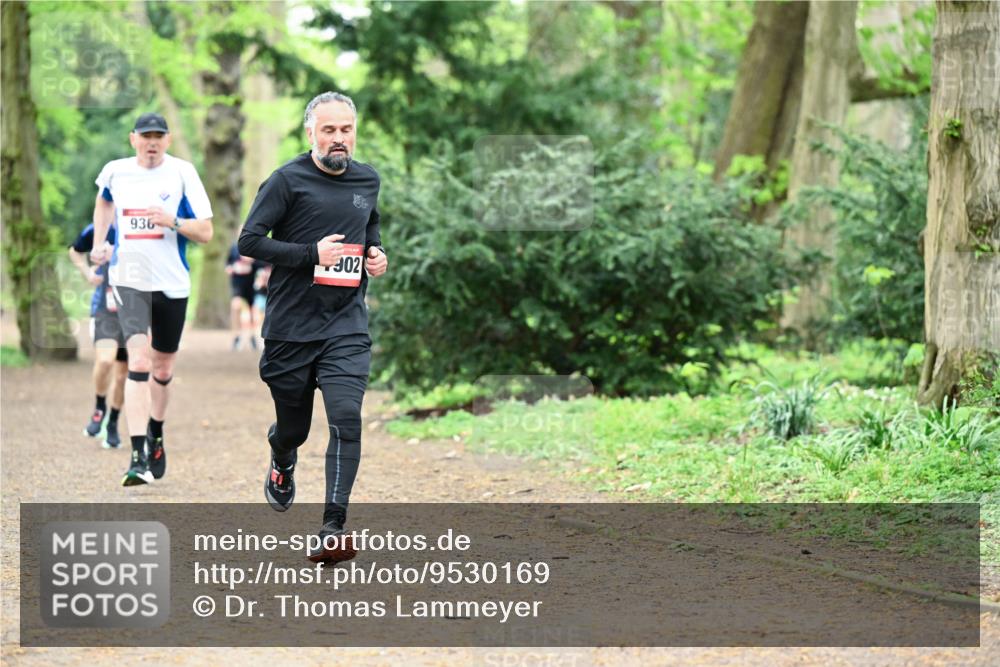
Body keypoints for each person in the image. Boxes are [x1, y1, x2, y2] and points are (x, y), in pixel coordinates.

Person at [238, 92, 387, 563]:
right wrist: (309, 254)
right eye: (329, 130)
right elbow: (248, 241)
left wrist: (376, 255)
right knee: (295, 428)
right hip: (290, 327)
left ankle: (332, 527)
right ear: (311, 134)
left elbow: (370, 230)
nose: (338, 139)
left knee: (346, 419)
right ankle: (281, 454)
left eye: (346, 130)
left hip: (345, 324)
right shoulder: (286, 181)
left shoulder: (368, 180)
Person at [89, 112, 214, 486]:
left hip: (172, 283)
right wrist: (99, 243)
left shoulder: (182, 173)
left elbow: (206, 232)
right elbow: (104, 202)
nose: (152, 142)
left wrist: (171, 221)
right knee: (138, 358)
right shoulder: (115, 171)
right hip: (130, 278)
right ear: (133, 139)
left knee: (162, 367)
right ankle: (137, 453)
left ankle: (156, 432)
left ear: (169, 140)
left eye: (159, 136)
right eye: (146, 136)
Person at [68, 222, 128, 449]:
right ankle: (99, 407)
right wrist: (87, 273)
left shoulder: (140, 225)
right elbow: (74, 250)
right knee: (104, 361)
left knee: (123, 376)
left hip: (135, 308)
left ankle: (112, 422)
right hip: (105, 307)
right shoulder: (99, 228)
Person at [225, 240, 266, 350]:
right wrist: (230, 268)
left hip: (251, 284)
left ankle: (253, 337)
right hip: (237, 283)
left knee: (253, 310)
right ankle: (236, 336)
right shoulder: (234, 247)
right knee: (235, 305)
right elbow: (228, 263)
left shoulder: (255, 246)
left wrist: (252, 261)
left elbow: (263, 265)